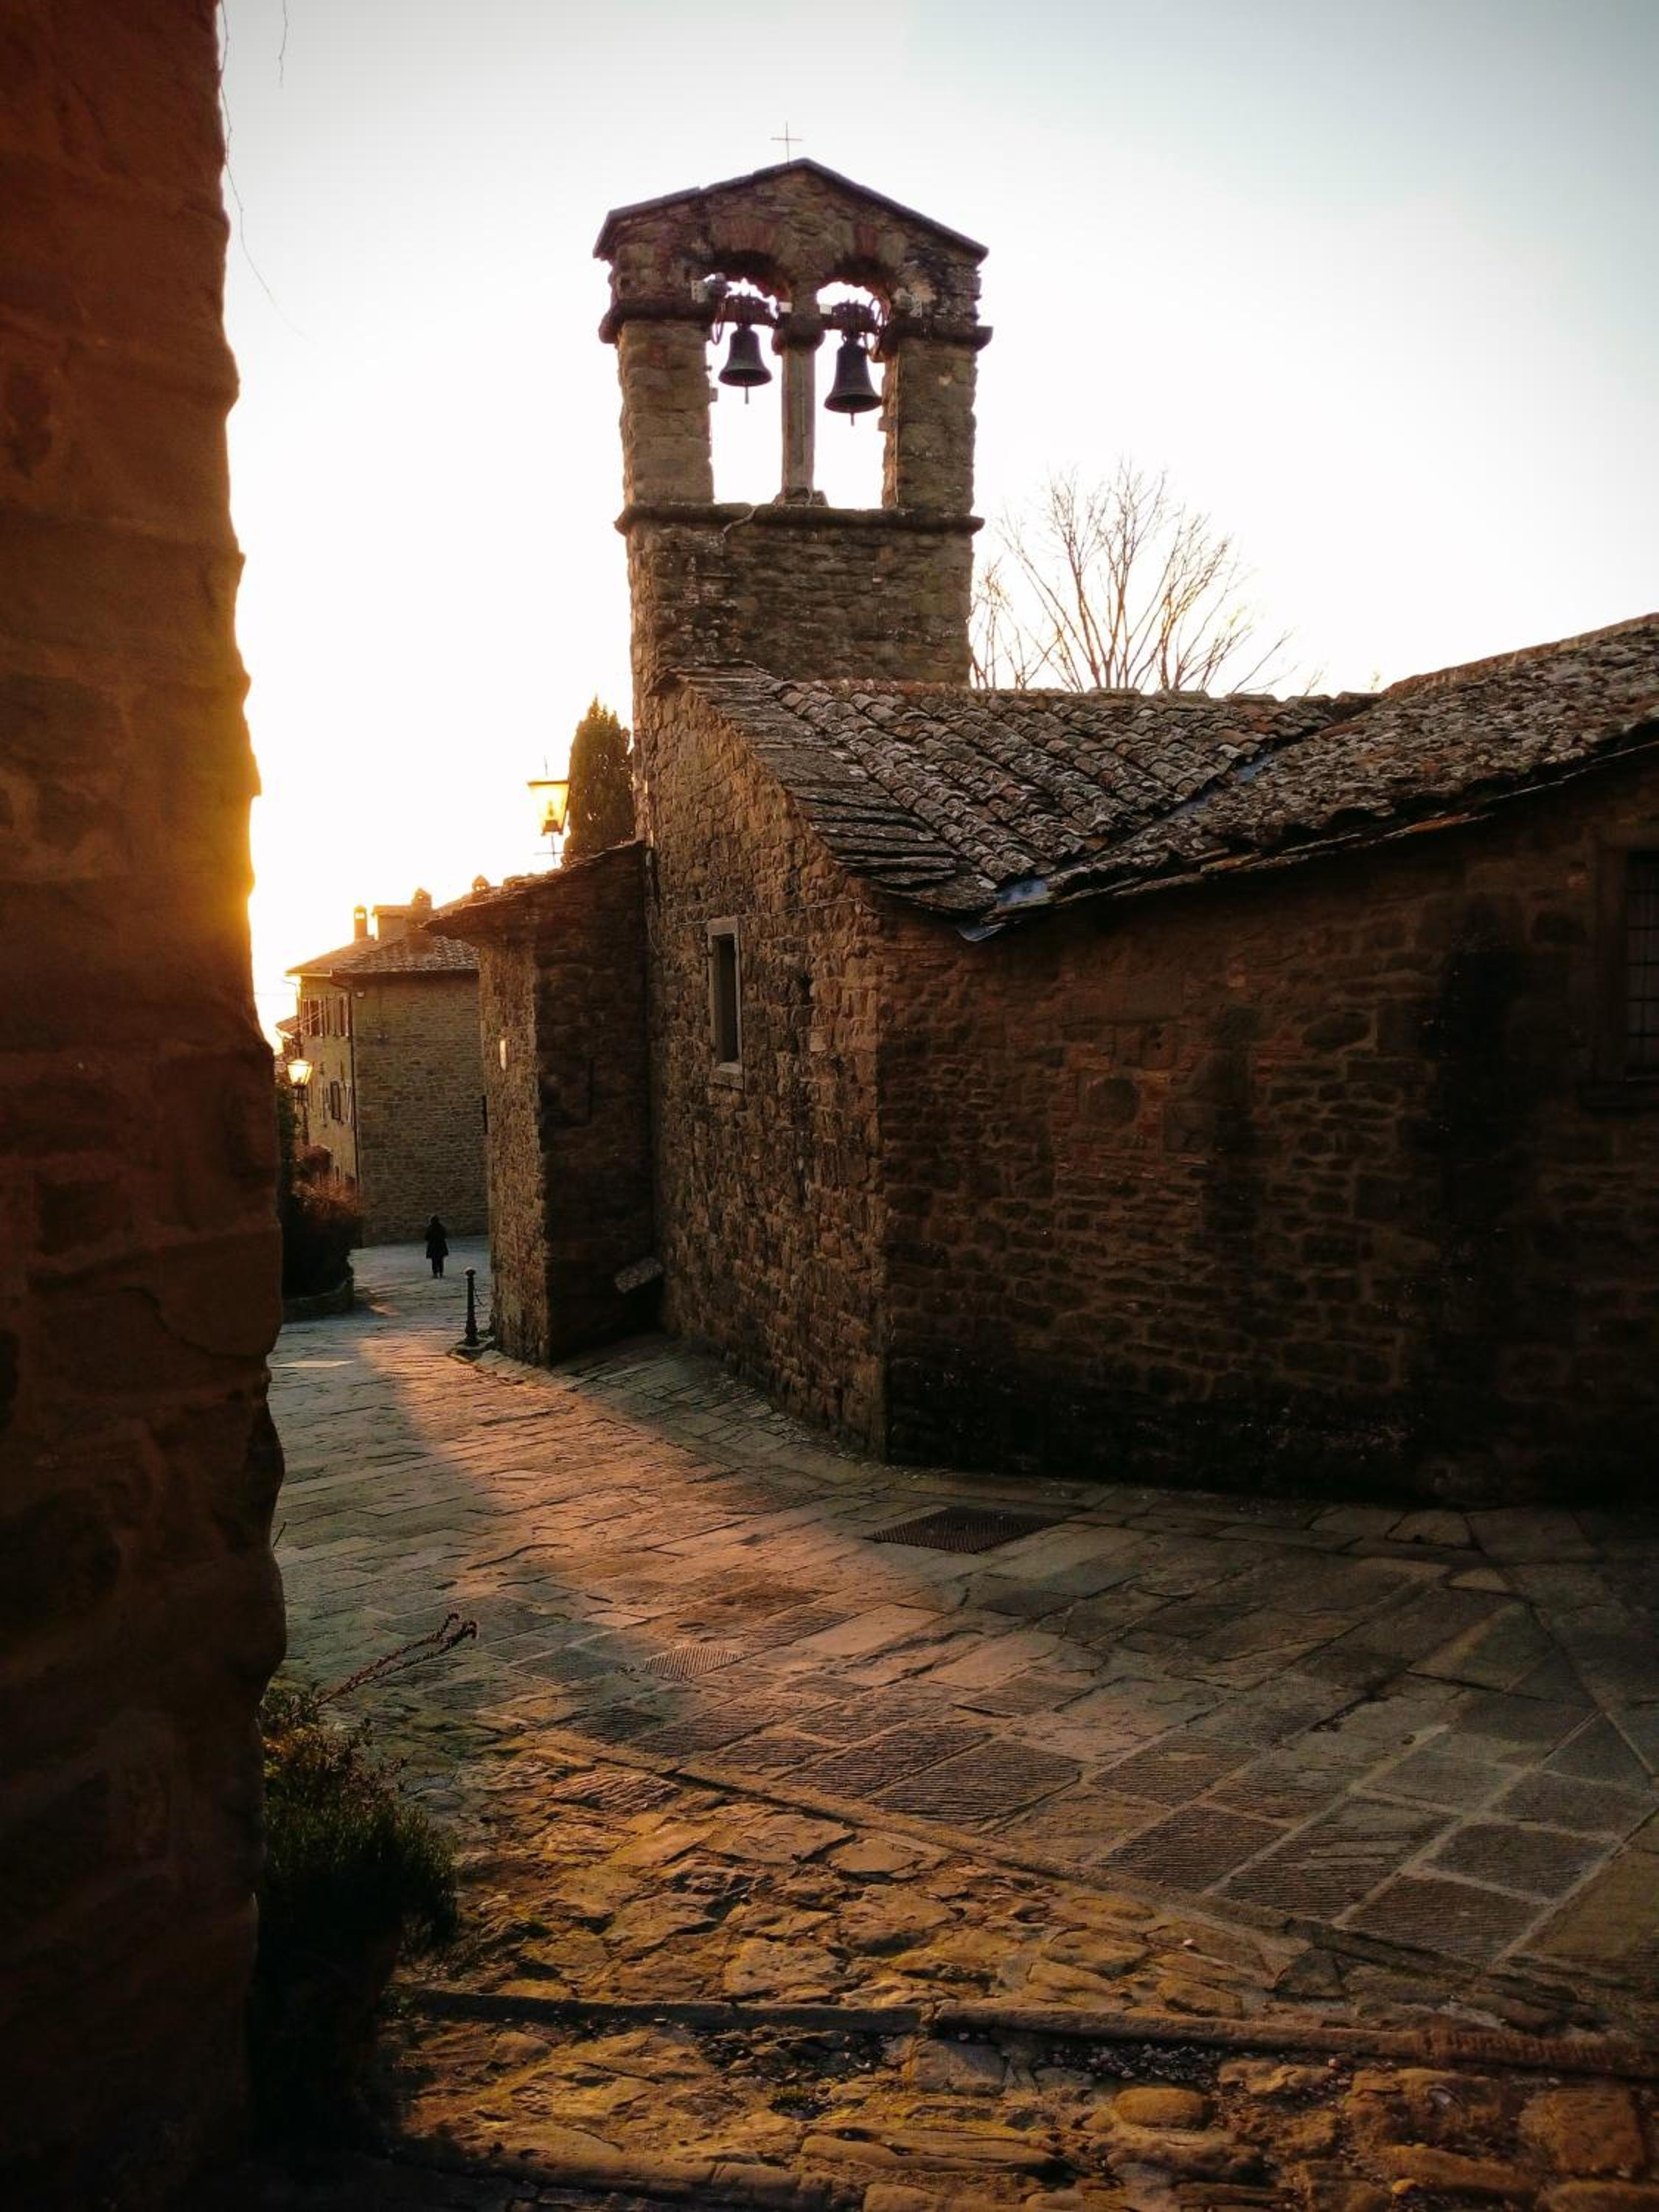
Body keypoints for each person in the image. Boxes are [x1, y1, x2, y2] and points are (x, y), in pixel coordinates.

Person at [425, 1214, 449, 1279]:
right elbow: (445, 1235)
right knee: (440, 1261)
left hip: (433, 1246)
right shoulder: (441, 1227)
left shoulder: (430, 1228)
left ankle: (435, 1274)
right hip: (441, 1246)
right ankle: (441, 1273)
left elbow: (426, 1237)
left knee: (434, 1261)